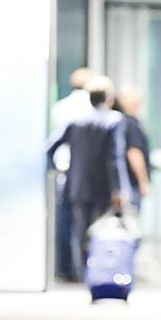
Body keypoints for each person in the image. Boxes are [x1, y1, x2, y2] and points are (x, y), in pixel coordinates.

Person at [45, 74, 130, 275]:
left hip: (77, 185)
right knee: (101, 231)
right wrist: (119, 189)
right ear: (108, 98)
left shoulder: (75, 121)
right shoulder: (113, 121)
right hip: (104, 187)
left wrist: (57, 169)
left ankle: (85, 272)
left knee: (81, 233)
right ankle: (100, 272)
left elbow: (49, 148)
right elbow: (114, 158)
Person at [50, 68, 95, 281]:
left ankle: (65, 268)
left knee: (65, 223)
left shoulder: (61, 108)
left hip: (65, 173)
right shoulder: (94, 112)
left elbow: (53, 145)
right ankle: (86, 270)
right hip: (89, 177)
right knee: (86, 226)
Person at [112, 84, 152, 211]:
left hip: (121, 185)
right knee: (130, 222)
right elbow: (134, 152)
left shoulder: (117, 121)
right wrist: (143, 181)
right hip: (130, 185)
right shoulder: (130, 124)